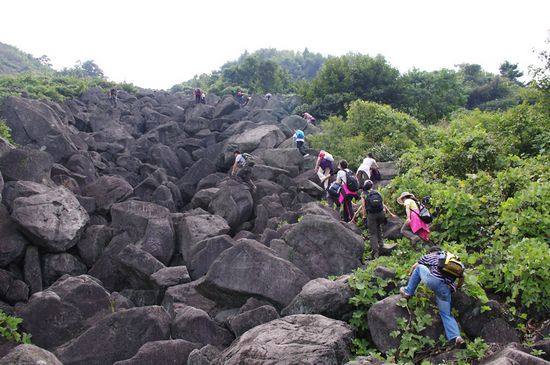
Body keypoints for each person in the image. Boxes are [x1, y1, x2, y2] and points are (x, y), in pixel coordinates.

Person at [400, 247, 465, 347]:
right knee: (446, 314)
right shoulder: (453, 260)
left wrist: (409, 275)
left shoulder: (431, 256)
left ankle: (408, 291)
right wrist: (457, 287)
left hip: (433, 281)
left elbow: (415, 266)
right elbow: (462, 277)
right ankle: (456, 337)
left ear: (431, 251)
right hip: (445, 290)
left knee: (419, 268)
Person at [355, 180, 397, 258]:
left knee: (372, 233)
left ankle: (376, 253)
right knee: (379, 228)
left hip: (371, 215)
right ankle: (381, 245)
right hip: (380, 213)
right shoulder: (377, 193)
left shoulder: (363, 194)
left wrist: (364, 216)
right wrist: (390, 213)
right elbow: (382, 204)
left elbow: (363, 206)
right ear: (371, 186)